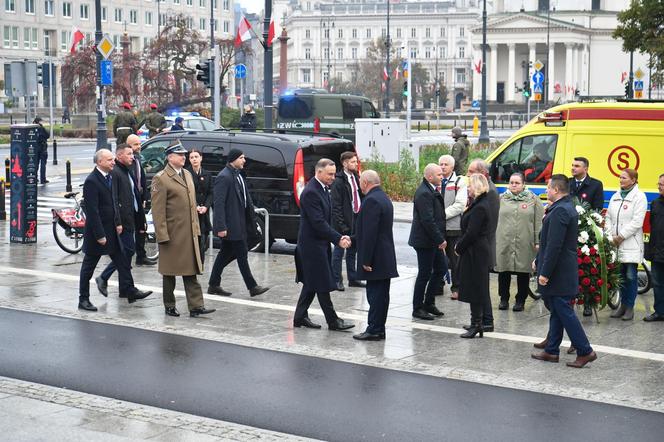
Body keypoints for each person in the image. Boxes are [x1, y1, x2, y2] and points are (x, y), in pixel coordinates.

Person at [531, 174, 597, 368]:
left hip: (558, 272)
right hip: (559, 270)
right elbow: (548, 243)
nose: (546, 191)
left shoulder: (560, 211)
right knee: (557, 311)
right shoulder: (561, 207)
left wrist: (545, 273)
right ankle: (552, 350)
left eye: (548, 188)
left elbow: (554, 246)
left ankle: (585, 350)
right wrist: (538, 260)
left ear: (556, 190)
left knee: (564, 311)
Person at [77, 149, 152, 312]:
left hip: (112, 228)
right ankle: (83, 299)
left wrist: (117, 223)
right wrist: (99, 235)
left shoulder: (109, 176)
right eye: (109, 159)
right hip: (98, 232)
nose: (113, 162)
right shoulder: (92, 181)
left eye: (113, 159)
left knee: (122, 260)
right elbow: (92, 211)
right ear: (100, 162)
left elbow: (113, 203)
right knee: (88, 266)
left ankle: (129, 290)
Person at [151, 142, 216, 318]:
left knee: (191, 270)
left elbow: (191, 202)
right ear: (170, 157)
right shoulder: (161, 178)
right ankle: (169, 305)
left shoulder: (187, 174)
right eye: (180, 154)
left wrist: (196, 228)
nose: (184, 157)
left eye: (184, 154)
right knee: (169, 271)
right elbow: (158, 211)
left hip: (188, 232)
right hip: (172, 233)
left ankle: (196, 306)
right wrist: (162, 235)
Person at [293, 158, 355, 331]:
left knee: (312, 282)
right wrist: (338, 238)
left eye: (334, 173)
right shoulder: (311, 192)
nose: (333, 177)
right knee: (320, 283)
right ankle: (333, 321)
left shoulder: (322, 189)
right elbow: (318, 223)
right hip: (311, 246)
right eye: (329, 174)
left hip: (319, 244)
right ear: (318, 172)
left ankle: (299, 317)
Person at [207, 148, 269, 297]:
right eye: (241, 158)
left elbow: (245, 199)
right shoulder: (224, 176)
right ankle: (252, 286)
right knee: (241, 254)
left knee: (224, 254)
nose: (244, 160)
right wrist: (221, 226)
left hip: (240, 223)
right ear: (233, 159)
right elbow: (219, 203)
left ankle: (213, 284)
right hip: (231, 225)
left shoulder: (238, 175)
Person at [94, 144, 152, 300]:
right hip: (122, 222)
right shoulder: (116, 173)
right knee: (126, 252)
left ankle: (122, 288)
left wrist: (141, 221)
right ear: (119, 156)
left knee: (126, 253)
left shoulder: (128, 171)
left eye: (132, 154)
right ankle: (112, 281)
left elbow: (134, 198)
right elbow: (114, 199)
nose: (132, 157)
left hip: (131, 219)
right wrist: (118, 222)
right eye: (128, 154)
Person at [352, 170, 398, 341]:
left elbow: (370, 233)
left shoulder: (371, 200)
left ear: (365, 183)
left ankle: (374, 329)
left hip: (376, 258)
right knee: (382, 295)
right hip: (384, 257)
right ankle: (379, 328)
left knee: (375, 295)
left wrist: (366, 260)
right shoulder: (384, 198)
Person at [495, 172, 544, 312]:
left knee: (523, 271)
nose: (513, 185)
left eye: (517, 183)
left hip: (525, 240)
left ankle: (520, 300)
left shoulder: (533, 200)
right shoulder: (501, 199)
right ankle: (503, 298)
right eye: (511, 182)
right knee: (503, 270)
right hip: (504, 240)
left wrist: (537, 241)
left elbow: (538, 222)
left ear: (523, 184)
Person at [606, 168, 648, 321]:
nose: (620, 179)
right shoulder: (616, 196)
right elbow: (609, 217)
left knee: (630, 276)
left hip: (630, 243)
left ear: (633, 180)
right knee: (620, 276)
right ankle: (622, 306)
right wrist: (610, 235)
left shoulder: (640, 197)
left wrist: (621, 236)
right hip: (615, 243)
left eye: (624, 177)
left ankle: (630, 307)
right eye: (620, 177)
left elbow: (637, 221)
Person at [455, 174, 493, 338]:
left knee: (476, 286)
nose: (468, 189)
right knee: (473, 285)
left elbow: (472, 233)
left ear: (477, 187)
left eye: (470, 186)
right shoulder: (478, 203)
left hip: (475, 251)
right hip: (474, 250)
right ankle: (475, 321)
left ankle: (477, 324)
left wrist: (458, 247)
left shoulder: (480, 207)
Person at [408, 164, 447, 321]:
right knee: (424, 273)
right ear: (429, 176)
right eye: (439, 174)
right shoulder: (424, 193)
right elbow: (427, 220)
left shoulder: (431, 189)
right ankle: (417, 308)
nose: (442, 176)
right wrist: (440, 239)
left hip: (432, 239)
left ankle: (429, 303)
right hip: (425, 241)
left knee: (441, 268)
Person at [467, 159, 498, 329]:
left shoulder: (490, 193)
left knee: (482, 285)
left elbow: (489, 224)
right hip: (481, 245)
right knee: (480, 285)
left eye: (471, 172)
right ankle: (484, 320)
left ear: (482, 174)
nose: (468, 175)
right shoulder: (481, 192)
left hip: (483, 246)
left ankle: (487, 320)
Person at [330, 151, 365, 291]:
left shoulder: (356, 177)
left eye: (356, 162)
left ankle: (353, 278)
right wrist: (342, 226)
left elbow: (360, 196)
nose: (356, 164)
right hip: (343, 222)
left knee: (353, 251)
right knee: (339, 252)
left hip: (355, 218)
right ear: (344, 163)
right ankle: (336, 280)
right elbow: (336, 206)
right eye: (352, 162)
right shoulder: (338, 181)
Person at [438, 154, 467, 300]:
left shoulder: (459, 182)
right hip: (438, 228)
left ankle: (457, 287)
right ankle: (438, 284)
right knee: (437, 258)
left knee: (454, 260)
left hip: (453, 227)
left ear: (452, 167)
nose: (442, 167)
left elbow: (460, 205)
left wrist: (441, 215)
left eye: (445, 164)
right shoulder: (436, 181)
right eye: (441, 164)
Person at [126, 134, 155, 266]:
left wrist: (145, 198)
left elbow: (141, 179)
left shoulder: (137, 159)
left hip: (139, 200)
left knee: (141, 228)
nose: (139, 147)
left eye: (139, 144)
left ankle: (141, 256)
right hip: (130, 203)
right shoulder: (127, 162)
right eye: (136, 144)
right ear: (129, 146)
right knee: (130, 230)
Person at [186, 148, 213, 263]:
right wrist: (195, 206)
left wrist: (206, 206)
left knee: (203, 238)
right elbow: (186, 192)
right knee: (193, 239)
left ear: (201, 158)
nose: (194, 159)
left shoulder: (207, 174)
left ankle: (200, 263)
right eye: (191, 157)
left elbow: (211, 192)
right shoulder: (186, 174)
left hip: (204, 212)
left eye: (196, 157)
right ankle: (192, 263)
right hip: (191, 211)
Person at [644, 173, 664, 322]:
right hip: (657, 251)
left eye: (661, 185)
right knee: (657, 283)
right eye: (659, 184)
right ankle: (659, 312)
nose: (659, 187)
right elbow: (652, 227)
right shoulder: (656, 203)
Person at [33, 117, 49, 184]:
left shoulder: (32, 128)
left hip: (35, 148)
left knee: (35, 164)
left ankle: (35, 178)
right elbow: (47, 135)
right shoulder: (41, 128)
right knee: (43, 164)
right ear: (39, 122)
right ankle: (43, 179)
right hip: (42, 148)